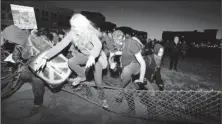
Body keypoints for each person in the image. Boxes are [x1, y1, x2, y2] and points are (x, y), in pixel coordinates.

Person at [33, 13, 109, 108]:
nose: (75, 29)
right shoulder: (72, 34)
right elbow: (60, 45)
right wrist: (45, 57)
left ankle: (103, 99)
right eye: (73, 27)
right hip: (84, 56)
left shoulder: (90, 33)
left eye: (77, 27)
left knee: (98, 82)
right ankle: (82, 76)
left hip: (97, 58)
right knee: (71, 62)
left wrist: (93, 57)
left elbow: (98, 46)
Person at [112, 30, 146, 115]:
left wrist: (141, 78)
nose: (118, 44)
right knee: (127, 91)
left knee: (126, 70)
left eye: (120, 43)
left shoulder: (131, 44)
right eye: (117, 43)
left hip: (135, 65)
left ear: (123, 38)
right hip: (126, 67)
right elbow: (123, 52)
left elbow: (142, 62)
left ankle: (119, 90)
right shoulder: (118, 43)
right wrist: (114, 56)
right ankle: (132, 110)